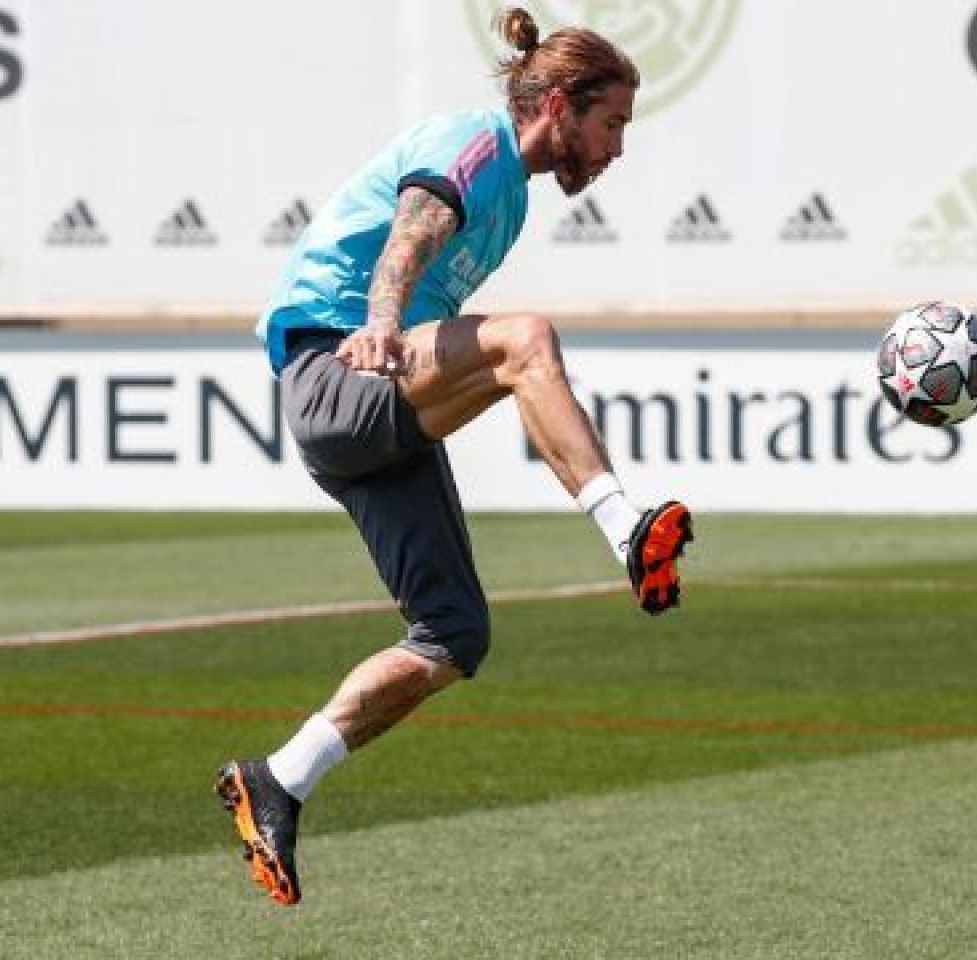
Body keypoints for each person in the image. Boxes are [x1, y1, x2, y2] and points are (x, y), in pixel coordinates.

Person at [214, 7, 693, 907]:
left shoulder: (513, 193)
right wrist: (384, 325)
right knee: (524, 341)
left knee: (453, 636)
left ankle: (277, 780)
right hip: (340, 372)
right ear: (559, 103)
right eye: (613, 123)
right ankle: (629, 530)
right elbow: (410, 233)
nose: (618, 148)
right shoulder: (478, 146)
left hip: (371, 409)